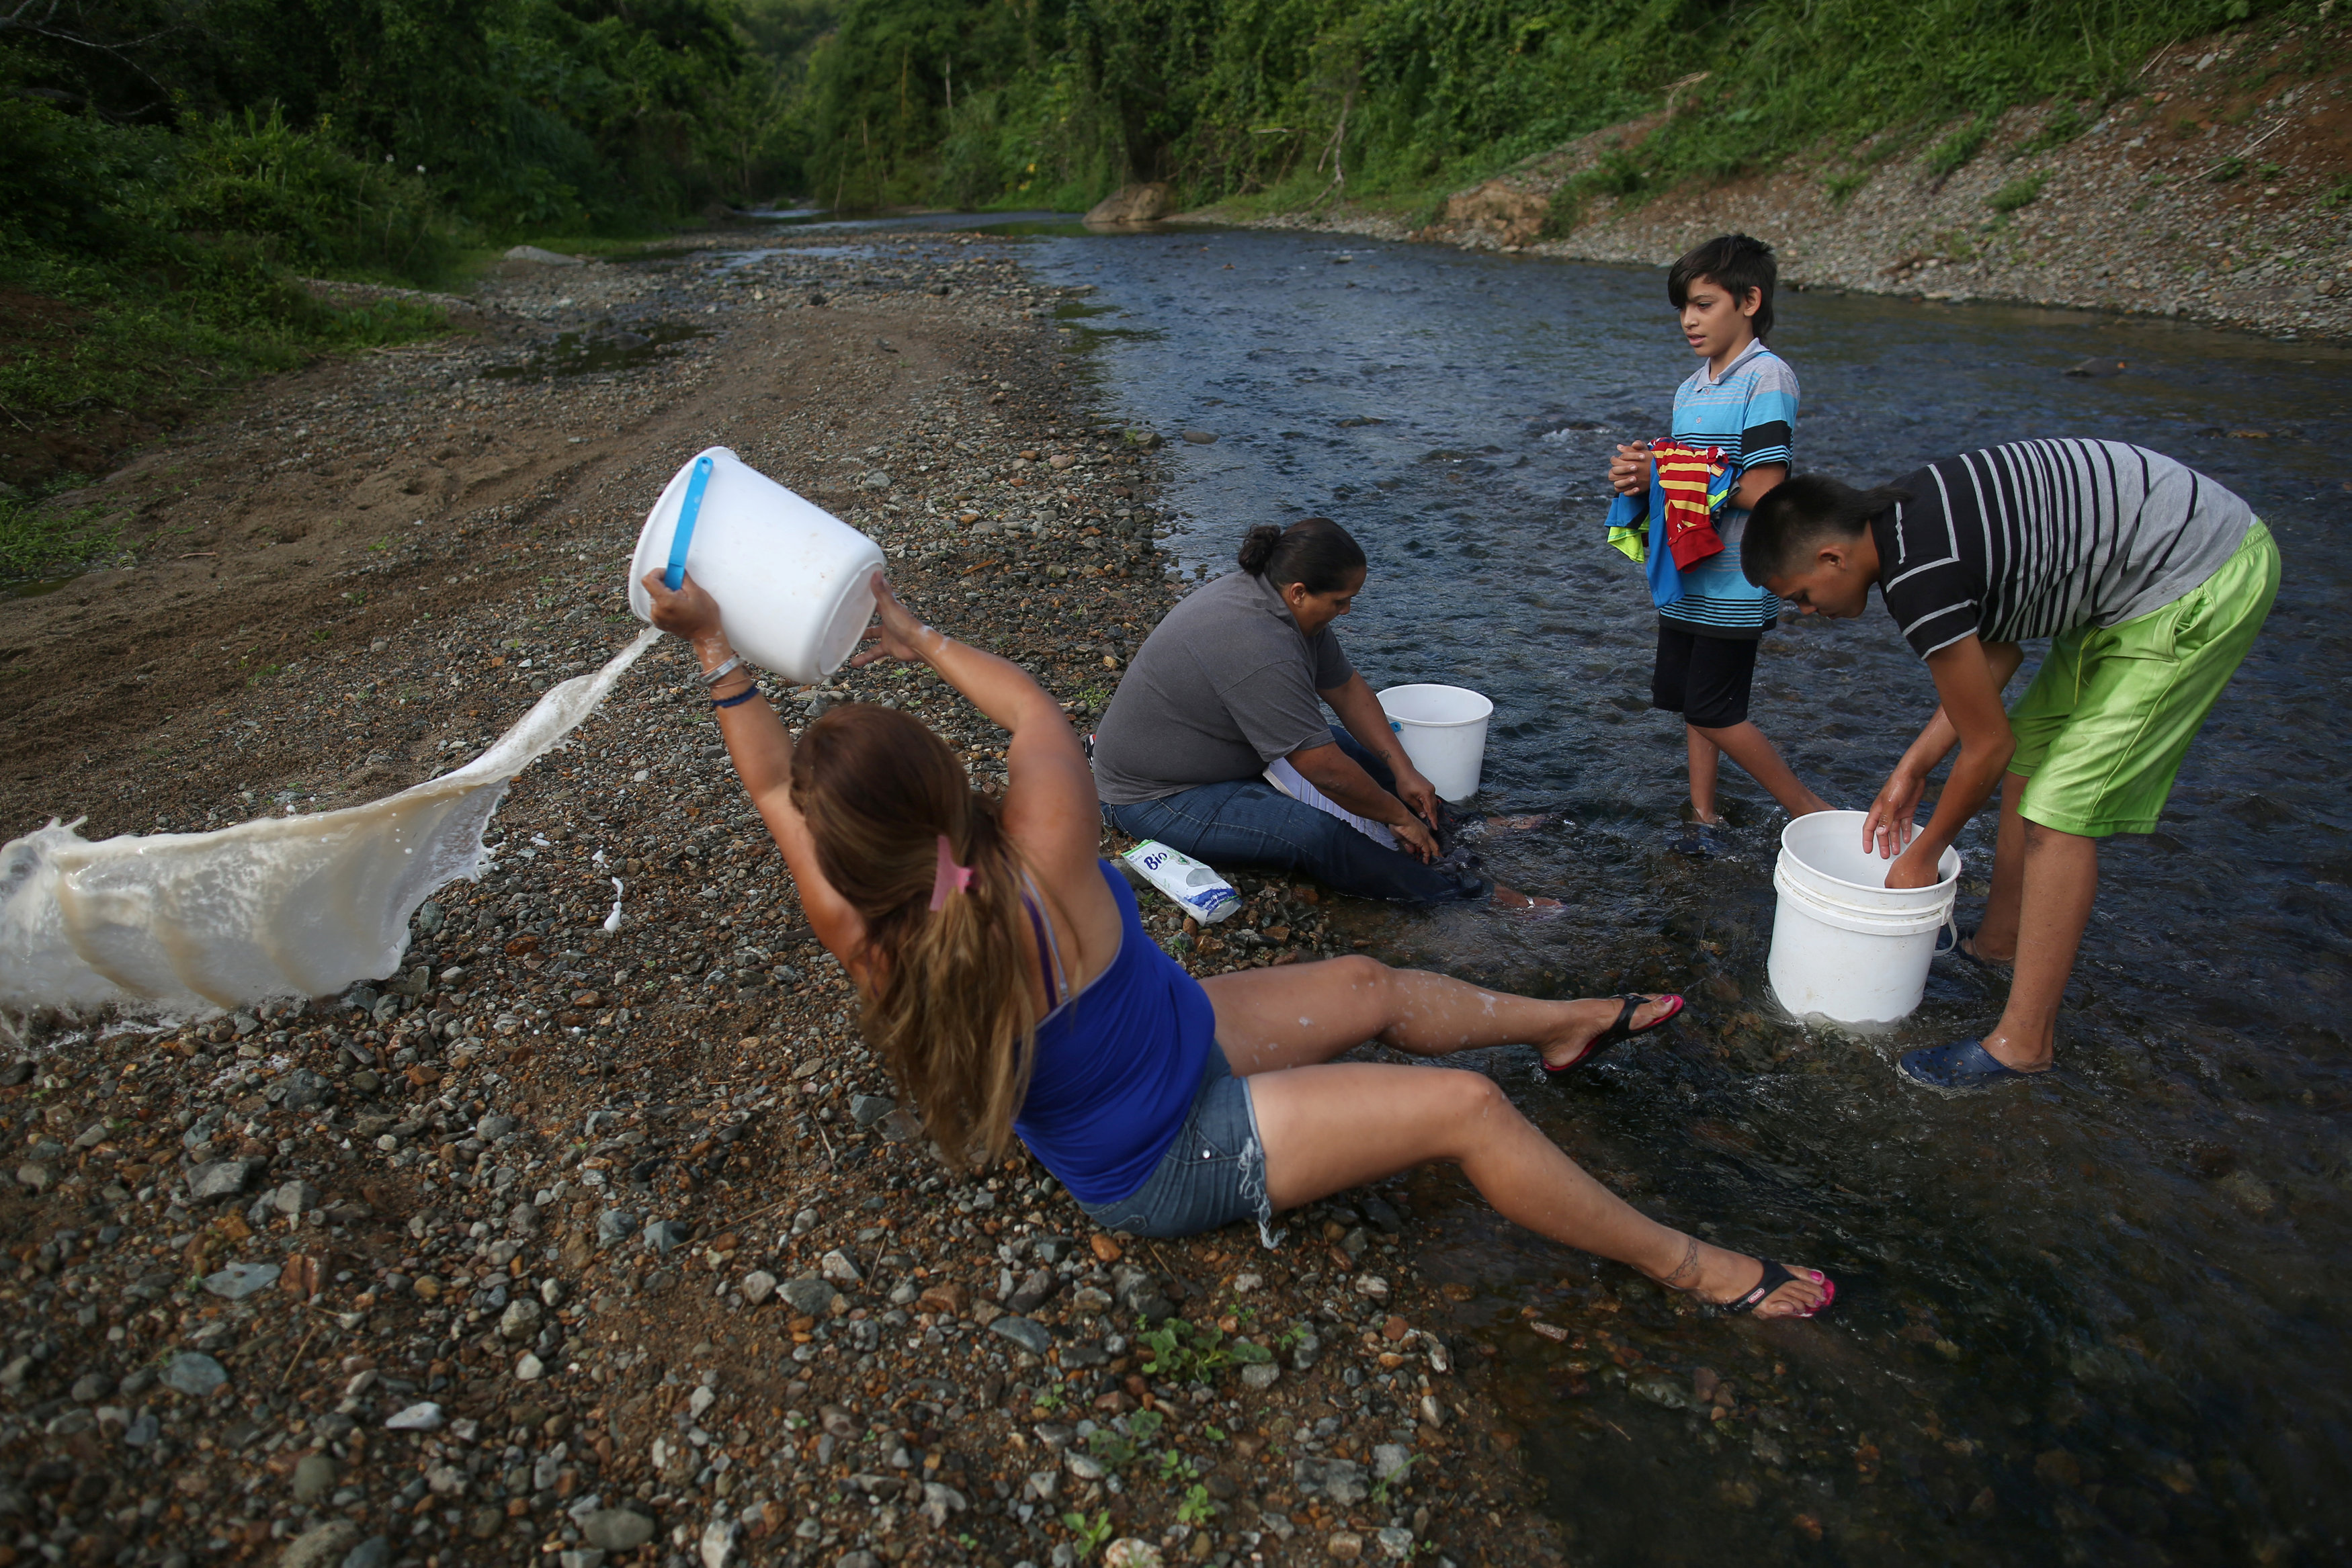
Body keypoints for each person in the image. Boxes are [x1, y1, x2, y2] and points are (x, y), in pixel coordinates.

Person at [638, 564, 1836, 1319]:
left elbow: (769, 795)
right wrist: (913, 630)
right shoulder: (1048, 830)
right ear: (952, 785)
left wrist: (713, 652)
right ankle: (1693, 1265)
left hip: (1182, 1037)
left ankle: (1569, 1024)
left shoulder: (858, 928)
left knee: (1372, 979)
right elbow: (1035, 711)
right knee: (1466, 1110)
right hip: (1166, 1153)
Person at [1743, 439, 2280, 1092]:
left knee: (2059, 812)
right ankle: (1997, 941)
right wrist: (1911, 767)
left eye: (1800, 595)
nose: (1806, 613)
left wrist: (1923, 855)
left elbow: (1983, 746)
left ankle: (2024, 1042)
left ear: (1832, 556)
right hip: (2128, 580)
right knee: (2032, 749)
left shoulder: (1917, 579)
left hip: (2195, 575)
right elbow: (1994, 658)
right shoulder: (1907, 517)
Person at [1091, 516, 1552, 908]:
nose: (1347, 611)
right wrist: (1397, 816)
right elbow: (1321, 770)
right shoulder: (1256, 642)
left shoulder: (1282, 605)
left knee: (1347, 746)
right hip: (1158, 796)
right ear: (1298, 592)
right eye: (1340, 601)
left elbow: (1347, 690)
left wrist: (1405, 772)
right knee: (1313, 834)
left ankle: (1460, 829)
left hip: (1228, 757)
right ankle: (1467, 896)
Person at [1606, 233, 1833, 827]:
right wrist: (1640, 478)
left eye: (1704, 304)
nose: (1688, 319)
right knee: (1693, 704)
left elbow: (1767, 489)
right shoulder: (1692, 388)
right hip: (1689, 572)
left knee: (1715, 708)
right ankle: (1704, 814)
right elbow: (1687, 481)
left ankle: (1811, 811)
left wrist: (1669, 469)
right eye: (1684, 306)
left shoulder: (1768, 378)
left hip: (1736, 584)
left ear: (1750, 300)